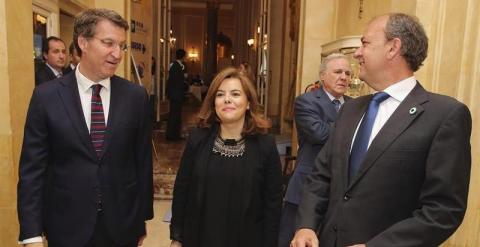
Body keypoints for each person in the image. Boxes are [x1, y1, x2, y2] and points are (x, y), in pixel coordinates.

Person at [291, 13, 471, 247]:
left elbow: (443, 210)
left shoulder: (444, 115)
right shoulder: (350, 110)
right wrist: (306, 225)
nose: (357, 53)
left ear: (393, 48)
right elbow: (321, 177)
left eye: (365, 43)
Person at [18, 8, 153, 247]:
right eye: (108, 43)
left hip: (121, 226)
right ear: (83, 42)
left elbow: (141, 163)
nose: (117, 53)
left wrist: (141, 219)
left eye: (122, 46)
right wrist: (31, 233)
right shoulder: (46, 97)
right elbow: (32, 171)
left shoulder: (136, 97)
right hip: (66, 226)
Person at [169, 67, 283, 247]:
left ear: (247, 103)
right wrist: (177, 237)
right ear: (214, 102)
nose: (227, 99)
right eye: (220, 95)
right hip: (199, 237)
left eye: (235, 94)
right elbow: (182, 189)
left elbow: (273, 204)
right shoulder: (198, 139)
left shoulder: (265, 145)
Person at [278, 53, 352, 247]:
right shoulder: (306, 101)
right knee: (292, 239)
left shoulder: (356, 105)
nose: (344, 77)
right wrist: (351, 129)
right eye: (337, 72)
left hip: (340, 189)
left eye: (347, 73)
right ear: (322, 75)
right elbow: (319, 134)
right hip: (306, 184)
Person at [166, 48, 188, 141]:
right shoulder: (176, 66)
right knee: (174, 116)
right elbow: (176, 82)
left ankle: (174, 135)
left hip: (175, 94)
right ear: (183, 56)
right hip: (176, 95)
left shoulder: (176, 66)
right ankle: (172, 136)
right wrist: (185, 85)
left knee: (175, 115)